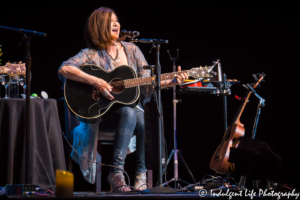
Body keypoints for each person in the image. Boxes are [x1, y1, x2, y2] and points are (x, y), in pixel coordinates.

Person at [58, 7, 188, 192]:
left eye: (117, 20)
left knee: (136, 114)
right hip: (101, 118)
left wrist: (172, 81)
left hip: (130, 118)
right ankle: (127, 172)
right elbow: (64, 69)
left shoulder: (132, 50)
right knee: (133, 113)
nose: (116, 24)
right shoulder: (90, 54)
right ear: (99, 26)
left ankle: (129, 173)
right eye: (110, 21)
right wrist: (96, 81)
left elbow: (147, 83)